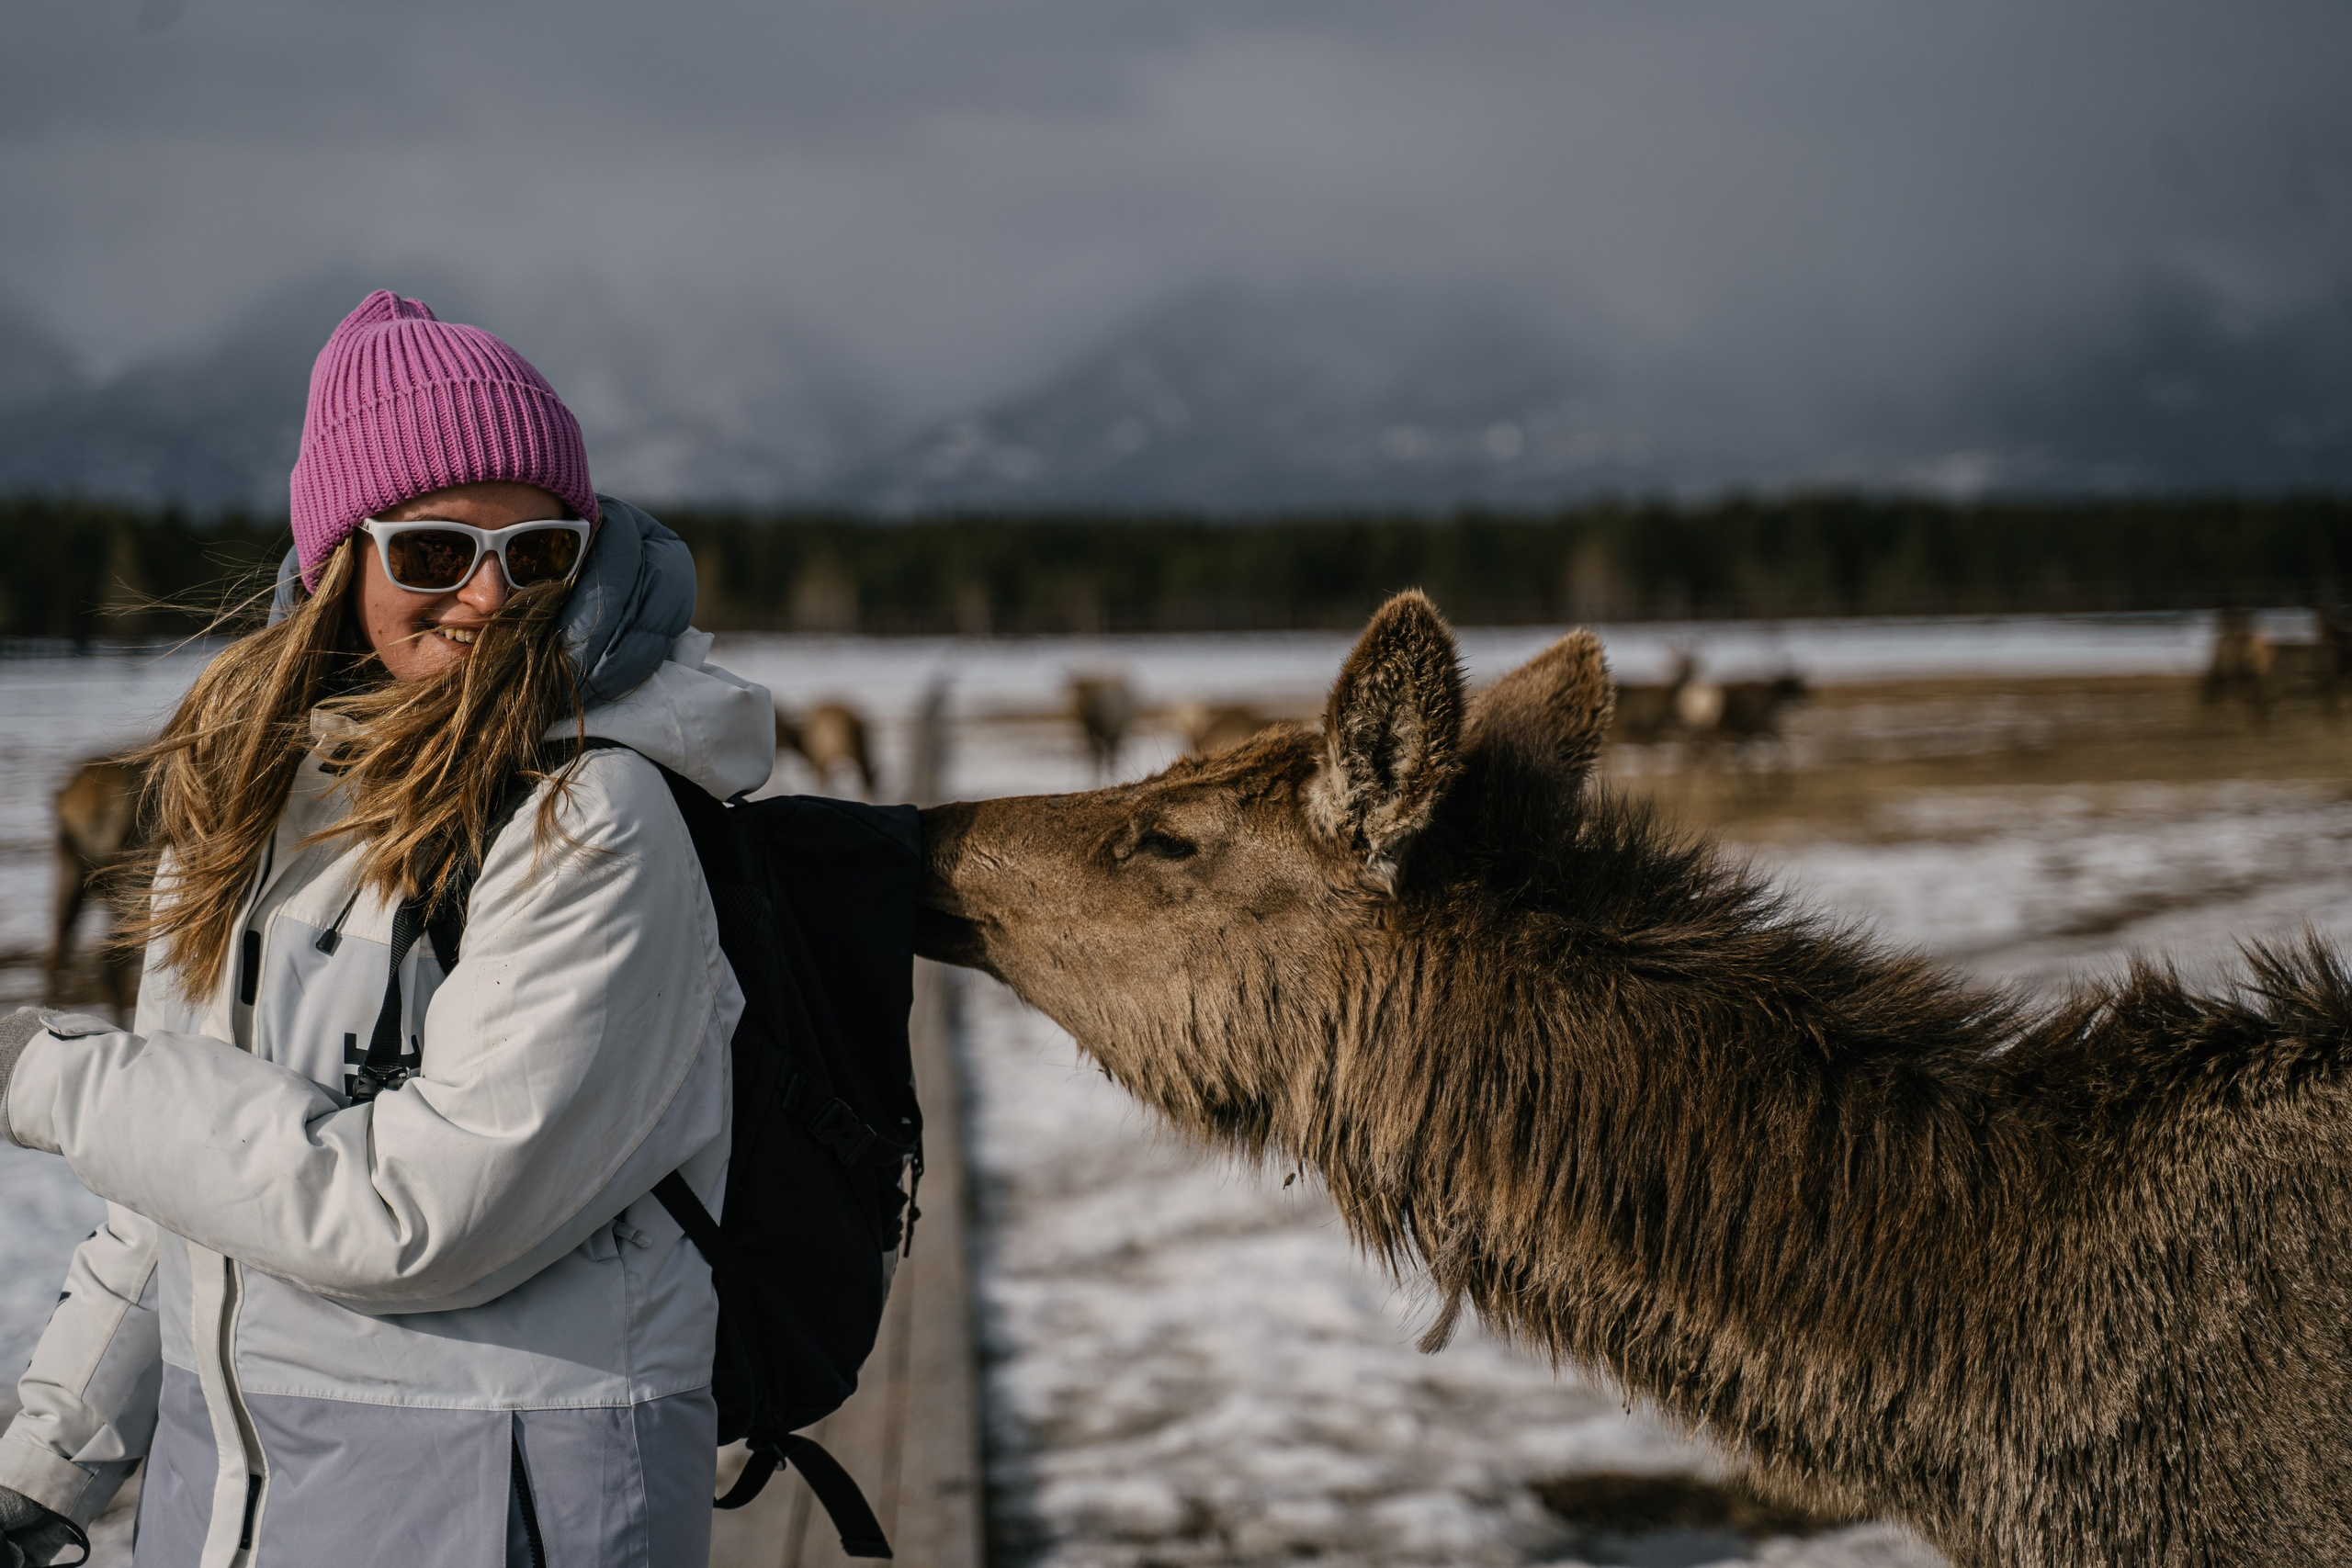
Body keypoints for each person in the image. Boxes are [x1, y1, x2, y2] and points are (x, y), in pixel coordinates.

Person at [0, 290, 774, 1566]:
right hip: (234, 1503)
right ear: (338, 562)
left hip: (507, 1504)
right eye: (431, 554)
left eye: (538, 555)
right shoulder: (253, 795)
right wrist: (49, 1462)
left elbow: (418, 1217)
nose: (488, 599)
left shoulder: (596, 814)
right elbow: (178, 1177)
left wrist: (46, 1076)